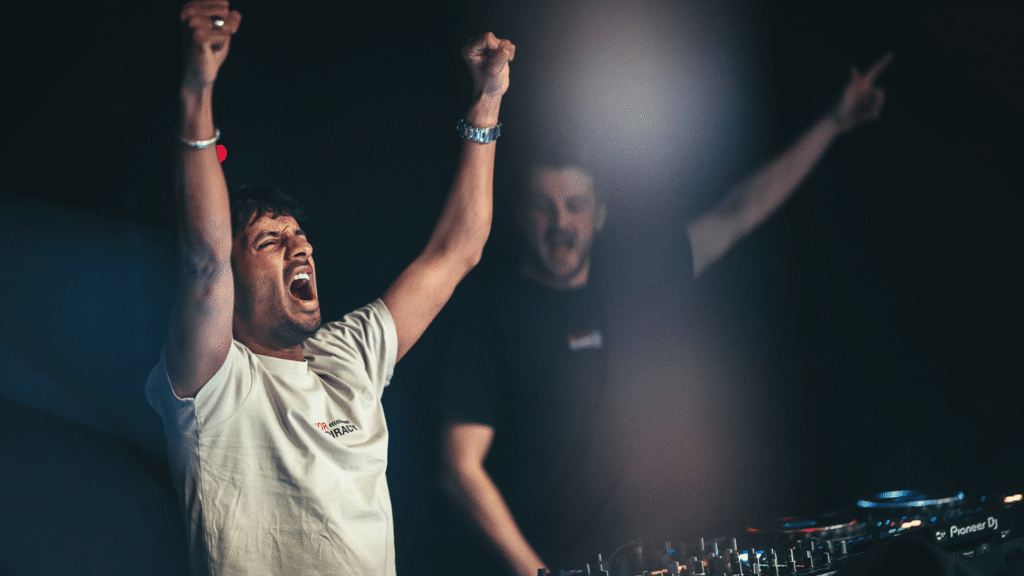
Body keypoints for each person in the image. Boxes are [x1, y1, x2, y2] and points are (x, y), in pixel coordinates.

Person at [440, 52, 893, 575]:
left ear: (599, 214)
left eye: (575, 204)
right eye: (544, 206)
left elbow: (740, 210)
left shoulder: (635, 282)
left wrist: (834, 121)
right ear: (521, 216)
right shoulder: (490, 318)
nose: (561, 221)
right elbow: (460, 468)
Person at [144, 2, 514, 575]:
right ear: (231, 285)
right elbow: (206, 258)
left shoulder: (349, 353)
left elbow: (458, 250)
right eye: (270, 241)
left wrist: (487, 100)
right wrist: (198, 89)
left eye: (300, 236)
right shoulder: (217, 384)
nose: (301, 249)